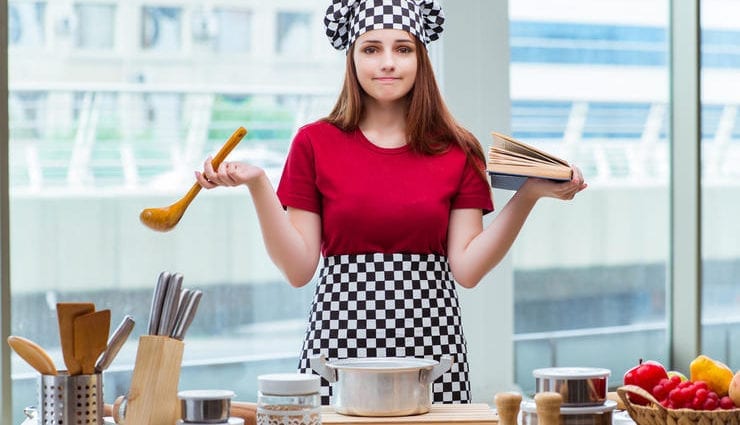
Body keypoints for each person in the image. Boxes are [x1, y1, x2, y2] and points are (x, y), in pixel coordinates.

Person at [195, 0, 587, 405]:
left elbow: (467, 270)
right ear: (352, 58)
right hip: (338, 346)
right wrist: (259, 186)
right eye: (371, 49)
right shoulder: (313, 144)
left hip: (431, 350)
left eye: (403, 49)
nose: (387, 62)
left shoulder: (458, 149)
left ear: (421, 58)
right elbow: (298, 269)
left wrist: (528, 196)